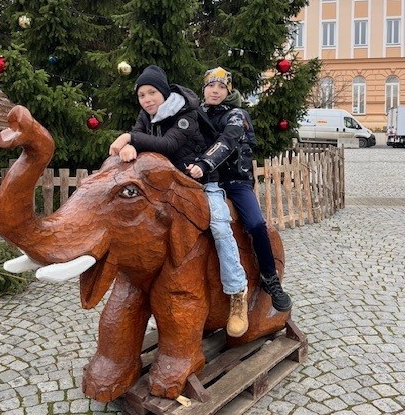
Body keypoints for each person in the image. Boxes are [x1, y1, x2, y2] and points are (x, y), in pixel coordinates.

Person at [109, 64, 249, 337]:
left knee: (220, 226)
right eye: (141, 95)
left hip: (203, 182)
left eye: (152, 93)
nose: (147, 99)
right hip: (171, 186)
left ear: (163, 92)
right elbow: (142, 140)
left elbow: (169, 144)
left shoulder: (186, 113)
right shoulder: (146, 116)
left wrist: (129, 138)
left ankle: (237, 292)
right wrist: (130, 147)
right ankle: (154, 300)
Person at [187, 67, 292, 313]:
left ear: (228, 91)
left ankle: (269, 277)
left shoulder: (237, 115)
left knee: (256, 224)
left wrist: (204, 164)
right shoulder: (195, 114)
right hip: (204, 182)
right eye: (211, 86)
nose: (215, 91)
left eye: (221, 87)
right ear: (204, 89)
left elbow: (227, 140)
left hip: (235, 183)